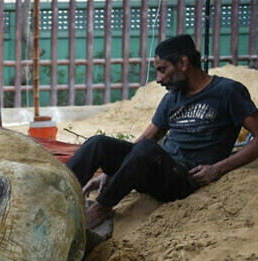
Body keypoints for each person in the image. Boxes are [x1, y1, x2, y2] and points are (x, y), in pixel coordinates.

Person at [67, 34, 258, 230]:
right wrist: (112, 171)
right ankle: (57, 196)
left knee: (147, 149)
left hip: (185, 178)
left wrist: (218, 168)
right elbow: (145, 137)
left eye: (162, 70)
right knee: (98, 143)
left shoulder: (228, 92)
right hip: (156, 170)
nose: (158, 79)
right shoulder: (172, 98)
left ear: (183, 63)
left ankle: (100, 209)